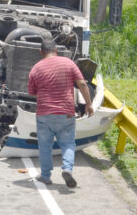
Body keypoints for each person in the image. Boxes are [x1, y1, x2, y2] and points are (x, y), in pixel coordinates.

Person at [28, 38, 94, 188]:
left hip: (44, 114)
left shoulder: (35, 68)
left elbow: (32, 92)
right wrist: (88, 104)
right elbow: (82, 84)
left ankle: (45, 176)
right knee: (68, 143)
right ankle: (67, 169)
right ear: (56, 50)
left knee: (45, 146)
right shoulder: (68, 63)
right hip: (66, 113)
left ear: (41, 52)